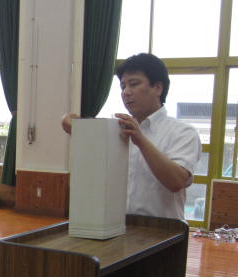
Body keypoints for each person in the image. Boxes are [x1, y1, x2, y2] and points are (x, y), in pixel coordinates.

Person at [61, 53, 201, 220]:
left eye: (134, 84)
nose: (126, 92)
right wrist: (72, 124)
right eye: (123, 86)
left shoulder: (183, 132)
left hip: (163, 229)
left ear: (158, 88)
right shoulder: (116, 130)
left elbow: (176, 182)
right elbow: (69, 122)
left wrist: (140, 140)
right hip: (116, 225)